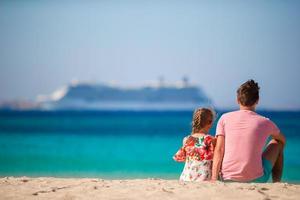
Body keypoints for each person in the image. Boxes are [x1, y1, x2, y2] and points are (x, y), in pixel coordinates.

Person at [212, 80, 286, 182]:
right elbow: (282, 140)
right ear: (257, 100)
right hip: (256, 179)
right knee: (277, 143)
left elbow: (219, 150)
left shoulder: (224, 118)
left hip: (226, 178)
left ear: (237, 100)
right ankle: (277, 183)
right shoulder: (266, 122)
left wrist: (214, 178)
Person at [173, 108, 216, 181]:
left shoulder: (187, 139)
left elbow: (184, 159)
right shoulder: (211, 140)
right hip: (203, 177)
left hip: (186, 177)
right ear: (210, 122)